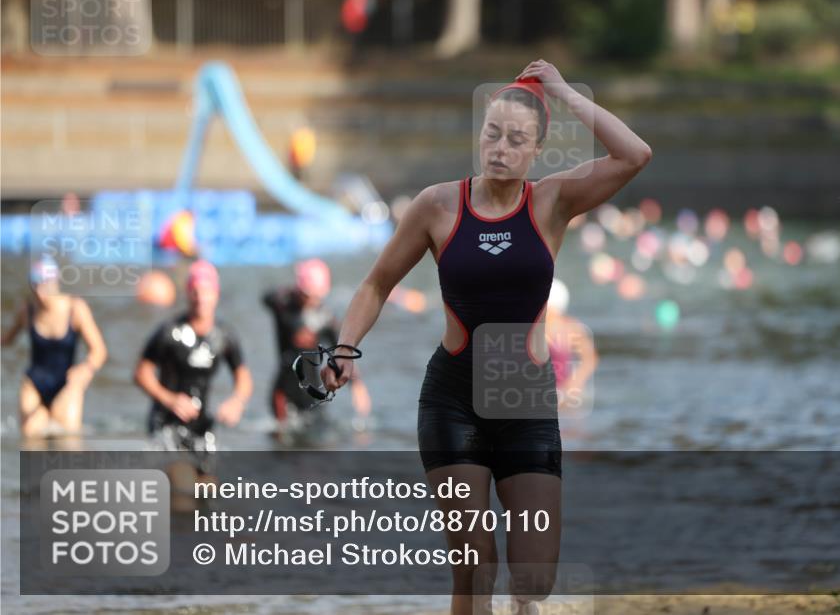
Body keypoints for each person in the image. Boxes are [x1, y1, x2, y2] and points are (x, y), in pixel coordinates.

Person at [322, 59, 651, 614]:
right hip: (453, 400)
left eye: (516, 139)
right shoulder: (437, 205)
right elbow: (377, 284)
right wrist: (345, 348)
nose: (500, 146)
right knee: (475, 568)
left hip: (525, 401)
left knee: (534, 579)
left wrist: (564, 93)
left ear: (536, 150)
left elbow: (634, 155)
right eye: (491, 132)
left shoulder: (551, 202)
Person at [134, 259, 252, 467]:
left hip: (202, 425)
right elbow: (141, 373)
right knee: (183, 485)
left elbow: (243, 377)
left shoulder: (224, 335)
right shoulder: (169, 332)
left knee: (209, 492)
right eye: (196, 292)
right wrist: (169, 399)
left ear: (216, 294)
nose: (201, 299)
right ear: (188, 294)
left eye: (207, 292)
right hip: (166, 423)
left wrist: (237, 402)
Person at [2, 256, 107, 438]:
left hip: (67, 385)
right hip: (34, 383)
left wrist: (86, 369)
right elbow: (6, 339)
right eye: (36, 286)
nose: (41, 293)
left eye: (45, 285)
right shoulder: (28, 310)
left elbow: (99, 351)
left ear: (55, 282)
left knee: (67, 441)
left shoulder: (75, 308)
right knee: (30, 440)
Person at [262, 258, 371, 428]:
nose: (312, 300)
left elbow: (342, 351)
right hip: (284, 391)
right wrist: (292, 290)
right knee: (283, 443)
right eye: (308, 295)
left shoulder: (324, 317)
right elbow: (266, 297)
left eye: (317, 296)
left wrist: (357, 386)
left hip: (311, 390)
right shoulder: (283, 304)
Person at [544, 278, 598, 414]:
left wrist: (575, 383)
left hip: (563, 392)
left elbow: (590, 359)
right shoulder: (531, 326)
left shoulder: (571, 328)